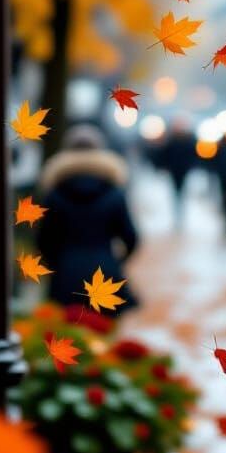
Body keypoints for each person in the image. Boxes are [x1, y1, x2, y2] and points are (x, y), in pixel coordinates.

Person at [35, 123, 140, 314]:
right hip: (105, 269)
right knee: (106, 333)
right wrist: (116, 261)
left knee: (67, 334)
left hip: (65, 272)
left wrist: (55, 263)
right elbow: (131, 237)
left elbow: (44, 239)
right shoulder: (114, 192)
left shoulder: (55, 193)